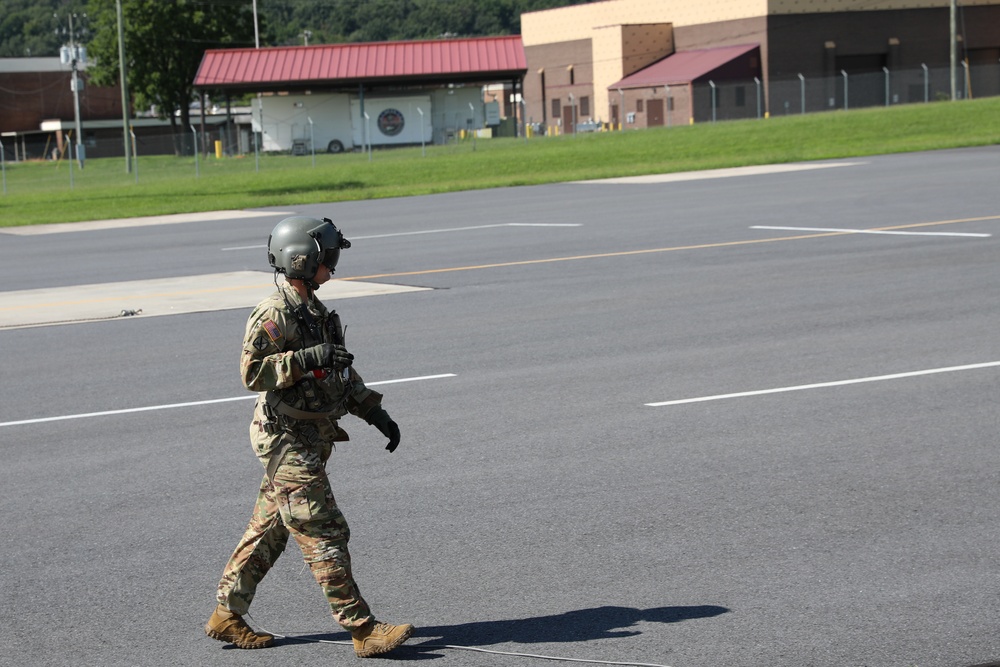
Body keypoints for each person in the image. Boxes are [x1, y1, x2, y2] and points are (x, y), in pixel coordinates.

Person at [205, 215, 413, 658]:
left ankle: (227, 613)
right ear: (301, 260)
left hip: (309, 435)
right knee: (323, 530)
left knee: (272, 528)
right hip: (286, 438)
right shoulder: (274, 313)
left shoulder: (315, 311)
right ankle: (363, 629)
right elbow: (251, 374)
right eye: (327, 257)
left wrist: (374, 411)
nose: (333, 264)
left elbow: (338, 370)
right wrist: (302, 358)